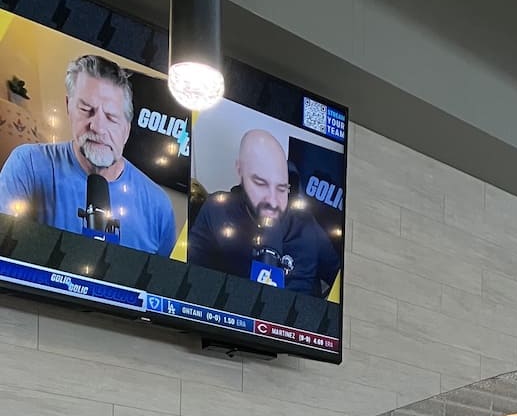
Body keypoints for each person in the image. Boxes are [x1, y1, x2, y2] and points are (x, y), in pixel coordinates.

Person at [0, 54, 175, 256]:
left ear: (126, 129)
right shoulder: (27, 165)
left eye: (111, 117)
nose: (97, 127)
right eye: (86, 109)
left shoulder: (159, 207)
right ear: (68, 107)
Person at [187, 128, 339, 296]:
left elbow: (341, 281)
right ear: (240, 171)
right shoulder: (218, 209)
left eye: (281, 188)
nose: (273, 202)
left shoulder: (307, 225)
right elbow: (190, 277)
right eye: (260, 183)